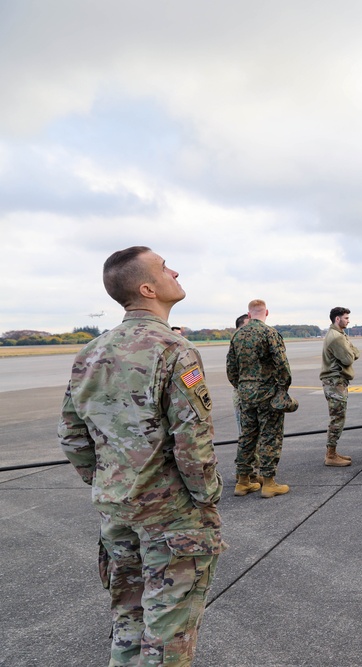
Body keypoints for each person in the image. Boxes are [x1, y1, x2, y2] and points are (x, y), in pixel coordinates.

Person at [58, 246, 224, 666]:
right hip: (172, 517)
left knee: (129, 621)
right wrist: (206, 498)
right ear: (148, 288)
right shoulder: (174, 350)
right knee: (168, 636)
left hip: (117, 513)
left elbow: (73, 437)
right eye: (166, 267)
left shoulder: (90, 353)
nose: (176, 271)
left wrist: (111, 482)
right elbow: (193, 441)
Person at [226, 298, 293, 498]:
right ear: (267, 312)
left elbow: (231, 368)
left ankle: (243, 481)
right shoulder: (269, 333)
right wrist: (282, 390)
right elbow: (282, 366)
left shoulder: (237, 336)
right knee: (269, 436)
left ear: (248, 315)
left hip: (245, 393)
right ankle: (269, 482)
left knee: (247, 437)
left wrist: (242, 386)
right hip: (267, 393)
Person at [320, 306, 358, 467]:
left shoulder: (339, 335)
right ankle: (330, 455)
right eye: (346, 318)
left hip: (337, 381)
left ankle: (333, 452)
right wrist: (351, 352)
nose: (348, 321)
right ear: (337, 319)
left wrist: (351, 352)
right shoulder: (336, 337)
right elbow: (349, 358)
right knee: (337, 418)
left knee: (338, 417)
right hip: (335, 382)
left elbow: (355, 352)